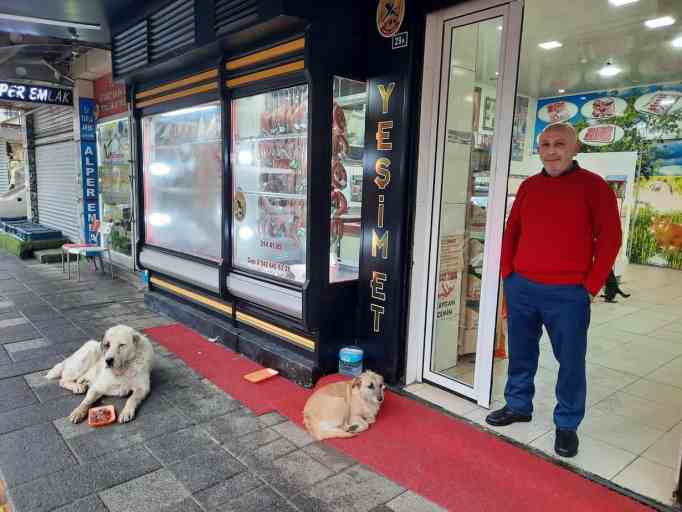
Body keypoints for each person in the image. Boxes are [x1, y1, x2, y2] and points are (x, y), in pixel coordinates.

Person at [485, 122, 622, 458]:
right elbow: (511, 231)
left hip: (568, 294)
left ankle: (567, 423)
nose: (551, 151)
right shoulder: (530, 187)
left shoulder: (594, 187)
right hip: (523, 288)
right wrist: (508, 275)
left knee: (571, 362)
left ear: (575, 149)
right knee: (521, 353)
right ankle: (518, 405)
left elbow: (610, 239)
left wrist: (590, 286)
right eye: (545, 144)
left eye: (559, 144)